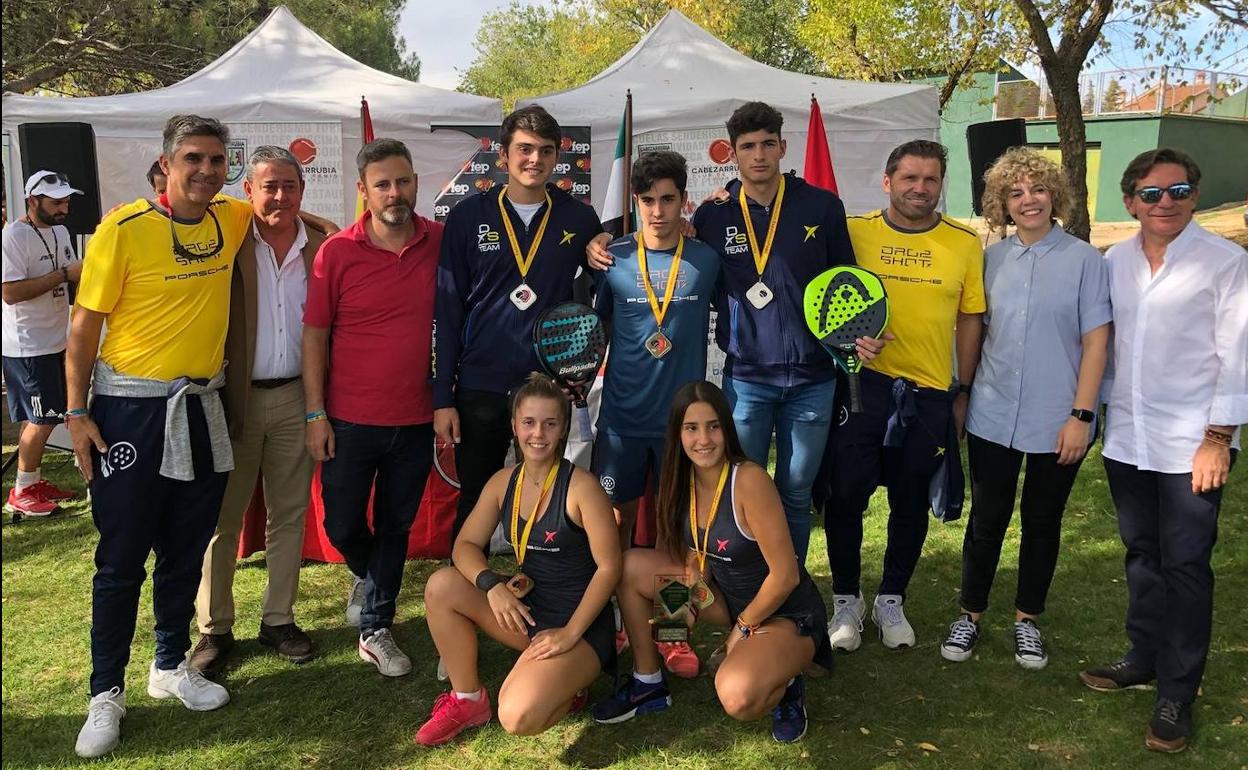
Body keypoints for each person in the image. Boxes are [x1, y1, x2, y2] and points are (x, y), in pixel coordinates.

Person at [66, 115, 255, 759]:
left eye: (217, 160)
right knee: (120, 559)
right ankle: (105, 692)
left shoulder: (231, 217)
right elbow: (84, 328)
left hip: (202, 408)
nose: (206, 171)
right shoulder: (122, 229)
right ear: (167, 164)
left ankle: (170, 664)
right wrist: (75, 411)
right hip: (131, 412)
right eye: (194, 159)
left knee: (186, 547)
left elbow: (283, 216)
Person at [1079, 148, 1246, 753]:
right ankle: (1143, 656)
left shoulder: (1226, 263)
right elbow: (1103, 344)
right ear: (1130, 202)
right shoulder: (1114, 261)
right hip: (1129, 438)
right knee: (1141, 554)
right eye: (1151, 194)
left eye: (1177, 191)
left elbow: (1238, 354)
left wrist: (1218, 439)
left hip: (1193, 446)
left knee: (1185, 566)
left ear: (1195, 195)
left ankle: (1178, 690)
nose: (1165, 203)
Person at [938, 148, 1110, 670]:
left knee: (1041, 522)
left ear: (1054, 195)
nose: (1028, 200)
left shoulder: (1086, 261)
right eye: (1016, 193)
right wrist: (962, 394)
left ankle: (1027, 620)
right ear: (1001, 204)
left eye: (1037, 189)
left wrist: (1081, 417)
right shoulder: (988, 260)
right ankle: (970, 614)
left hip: (1059, 420)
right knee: (986, 520)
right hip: (992, 411)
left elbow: (1097, 342)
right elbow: (976, 332)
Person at [591, 380, 831, 742]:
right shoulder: (680, 479)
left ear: (726, 429)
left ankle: (788, 681)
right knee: (629, 567)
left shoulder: (748, 479)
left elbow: (785, 576)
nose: (703, 439)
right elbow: (694, 556)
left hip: (784, 612)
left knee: (737, 696)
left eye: (713, 426)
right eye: (691, 428)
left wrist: (740, 631)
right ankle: (648, 683)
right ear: (678, 434)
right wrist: (675, 623)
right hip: (730, 602)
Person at [822, 140, 986, 652]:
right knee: (845, 496)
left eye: (931, 179)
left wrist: (961, 390)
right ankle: (846, 599)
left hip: (930, 393)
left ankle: (891, 598)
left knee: (911, 501)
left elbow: (969, 319)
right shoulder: (853, 231)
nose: (920, 188)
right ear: (887, 181)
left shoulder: (964, 243)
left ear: (941, 185)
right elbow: (822, 296)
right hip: (861, 389)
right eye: (910, 177)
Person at [416, 373, 620, 745]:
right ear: (514, 425)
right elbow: (464, 546)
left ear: (563, 429)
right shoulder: (503, 481)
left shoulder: (582, 488)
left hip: (580, 626)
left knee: (517, 715)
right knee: (441, 586)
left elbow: (610, 568)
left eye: (549, 423)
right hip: (528, 612)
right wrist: (490, 585)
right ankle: (467, 699)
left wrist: (570, 634)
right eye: (528, 422)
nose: (537, 434)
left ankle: (570, 683)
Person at [433, 104, 604, 543]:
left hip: (548, 382)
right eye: (524, 149)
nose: (535, 160)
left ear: (556, 158)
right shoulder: (468, 217)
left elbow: (607, 285)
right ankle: (463, 598)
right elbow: (448, 311)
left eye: (545, 151)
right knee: (477, 499)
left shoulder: (578, 218)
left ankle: (548, 592)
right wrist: (442, 397)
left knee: (549, 499)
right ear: (503, 156)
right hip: (482, 382)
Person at [303, 138, 440, 677]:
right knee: (341, 525)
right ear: (362, 190)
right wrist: (316, 414)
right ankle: (371, 577)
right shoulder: (336, 251)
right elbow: (314, 336)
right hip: (349, 419)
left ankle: (375, 626)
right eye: (382, 183)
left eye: (403, 181)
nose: (394, 192)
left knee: (395, 525)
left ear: (414, 183)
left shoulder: (440, 240)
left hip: (415, 417)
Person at [189, 146, 326, 674]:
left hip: (297, 396)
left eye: (289, 186)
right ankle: (214, 629)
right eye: (268, 186)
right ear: (246, 192)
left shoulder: (319, 244)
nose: (279, 196)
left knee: (289, 515)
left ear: (301, 191)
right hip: (235, 399)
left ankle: (278, 619)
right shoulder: (224, 241)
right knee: (222, 520)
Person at [592, 150, 721, 677]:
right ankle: (622, 623)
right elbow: (589, 329)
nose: (659, 211)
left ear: (683, 199)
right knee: (615, 529)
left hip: (681, 431)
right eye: (648, 200)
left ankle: (671, 632)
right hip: (622, 421)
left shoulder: (706, 260)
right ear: (635, 202)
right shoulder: (612, 259)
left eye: (669, 199)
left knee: (673, 534)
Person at [2, 171, 84, 516]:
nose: (64, 208)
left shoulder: (60, 230)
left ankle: (31, 480)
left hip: (55, 338)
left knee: (43, 414)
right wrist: (64, 275)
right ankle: (22, 491)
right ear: (32, 201)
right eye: (56, 203)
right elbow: (10, 293)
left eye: (66, 201)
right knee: (43, 417)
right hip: (27, 345)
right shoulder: (13, 237)